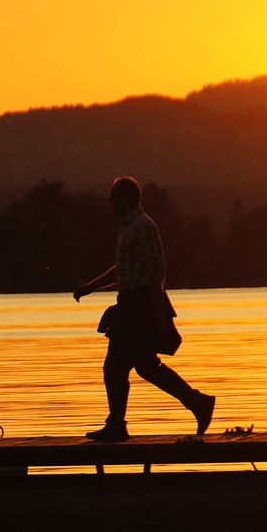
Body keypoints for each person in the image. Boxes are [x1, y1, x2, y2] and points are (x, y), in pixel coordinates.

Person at [73, 176, 215, 441]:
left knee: (115, 367)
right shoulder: (128, 227)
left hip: (139, 306)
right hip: (129, 304)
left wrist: (158, 311)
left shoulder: (141, 226)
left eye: (113, 196)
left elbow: (152, 270)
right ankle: (198, 403)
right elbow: (125, 268)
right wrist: (91, 286)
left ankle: (117, 424)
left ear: (127, 197)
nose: (109, 201)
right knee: (146, 367)